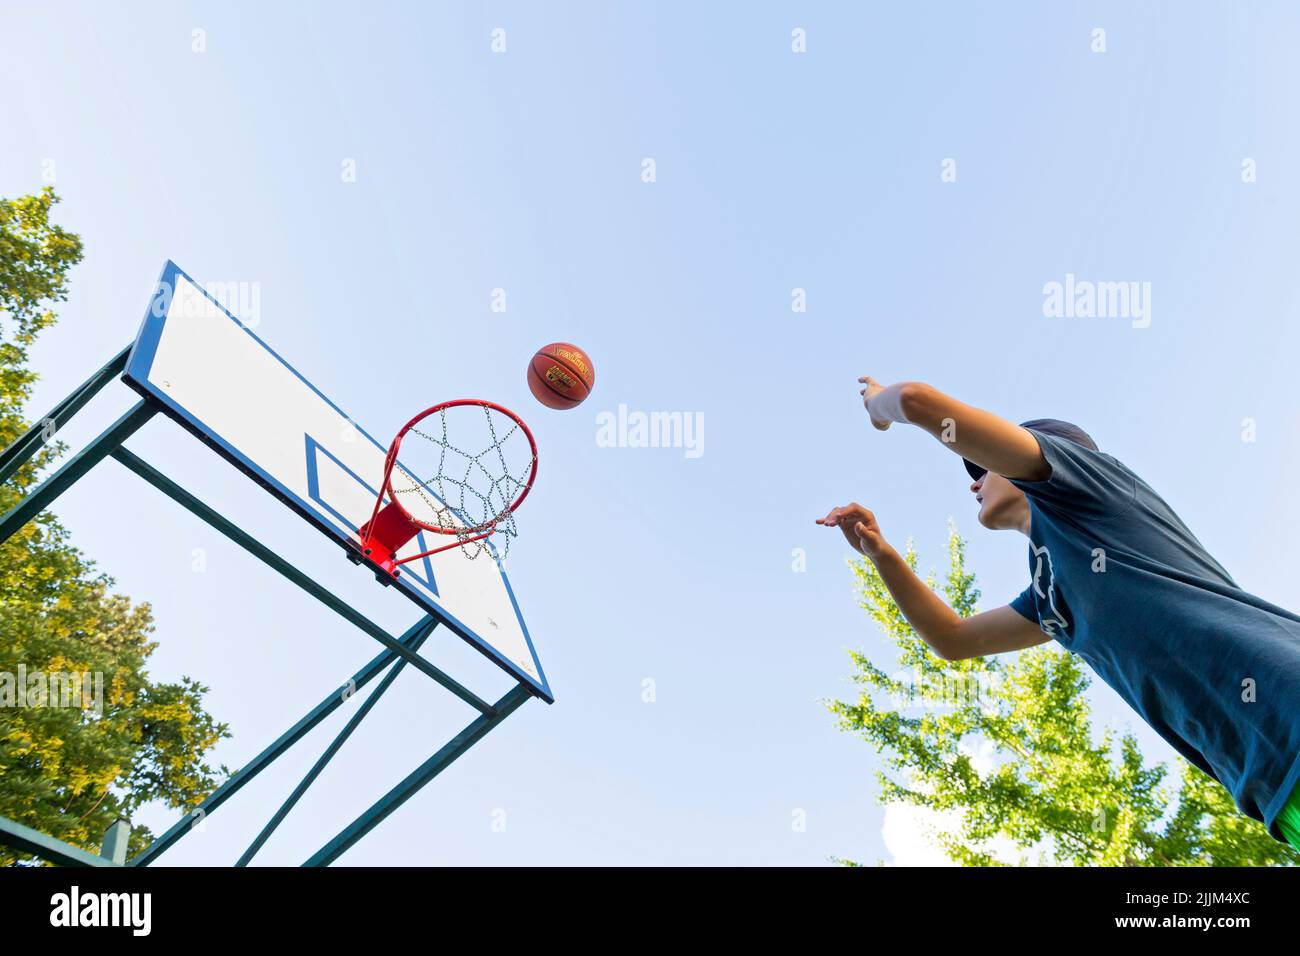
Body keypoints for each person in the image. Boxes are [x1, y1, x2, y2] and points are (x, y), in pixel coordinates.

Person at [817, 376, 1300, 850]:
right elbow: (953, 639)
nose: (975, 484)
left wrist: (878, 406)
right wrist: (881, 555)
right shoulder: (1051, 591)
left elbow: (917, 401)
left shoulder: (1088, 486)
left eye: (981, 468)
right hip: (1268, 789)